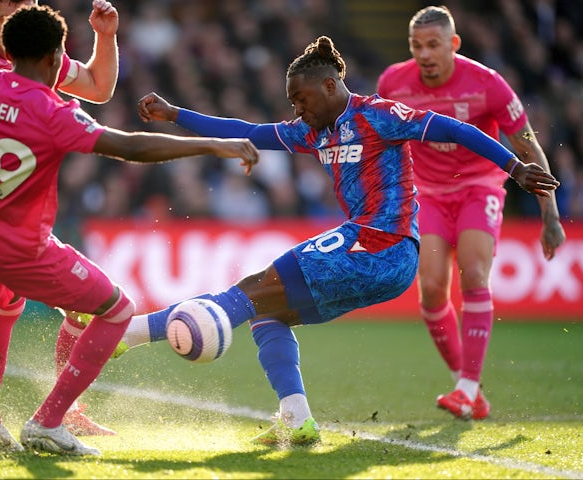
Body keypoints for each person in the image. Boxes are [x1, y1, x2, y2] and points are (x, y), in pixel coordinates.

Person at [124, 35, 558, 446]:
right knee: (266, 313)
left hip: (383, 242)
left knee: (251, 289)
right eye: (293, 102)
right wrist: (176, 114)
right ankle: (297, 421)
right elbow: (247, 130)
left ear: (330, 85)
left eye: (301, 98)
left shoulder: (378, 114)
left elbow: (454, 130)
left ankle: (131, 333)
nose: (296, 109)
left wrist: (514, 167)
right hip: (379, 260)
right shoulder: (311, 132)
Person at [0, 4, 258, 456]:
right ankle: (47, 423)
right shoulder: (52, 110)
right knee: (116, 308)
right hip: (17, 244)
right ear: (56, 58)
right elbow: (129, 146)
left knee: (12, 303)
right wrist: (211, 143)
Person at [0, 0, 121, 444]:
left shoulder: (41, 59)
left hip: (11, 216)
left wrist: (105, 36)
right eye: (6, 14)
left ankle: (54, 412)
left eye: (25, 8)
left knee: (47, 304)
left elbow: (99, 88)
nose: (17, 19)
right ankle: (11, 421)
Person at [376, 5, 565, 420]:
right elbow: (382, 142)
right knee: (429, 290)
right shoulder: (393, 82)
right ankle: (469, 386)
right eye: (416, 46)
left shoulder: (487, 84)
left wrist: (549, 215)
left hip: (479, 187)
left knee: (475, 273)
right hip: (425, 193)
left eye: (433, 45)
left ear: (453, 44)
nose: (424, 54)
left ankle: (465, 387)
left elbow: (528, 147)